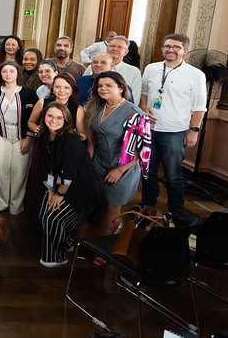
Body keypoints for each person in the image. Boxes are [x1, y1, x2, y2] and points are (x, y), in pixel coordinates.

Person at [138, 33, 206, 218]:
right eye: (167, 46)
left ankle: (176, 208)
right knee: (148, 170)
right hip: (148, 130)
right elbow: (143, 93)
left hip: (175, 132)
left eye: (176, 47)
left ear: (185, 50)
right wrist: (144, 107)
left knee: (173, 174)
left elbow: (200, 107)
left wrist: (193, 131)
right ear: (162, 49)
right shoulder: (151, 68)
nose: (171, 50)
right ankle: (147, 202)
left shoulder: (196, 75)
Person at [37, 102, 102, 267]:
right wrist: (51, 192)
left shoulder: (71, 139)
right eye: (50, 116)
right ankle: (66, 244)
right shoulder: (44, 136)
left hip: (81, 189)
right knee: (44, 214)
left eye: (59, 117)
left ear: (66, 120)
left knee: (52, 217)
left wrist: (59, 195)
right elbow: (47, 168)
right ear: (43, 117)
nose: (53, 120)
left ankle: (56, 257)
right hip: (60, 185)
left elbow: (69, 172)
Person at [85, 71, 150, 235]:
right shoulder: (97, 106)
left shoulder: (134, 113)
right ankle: (99, 238)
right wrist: (89, 161)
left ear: (121, 88)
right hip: (99, 162)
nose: (102, 89)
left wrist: (120, 170)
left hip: (123, 166)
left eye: (108, 85)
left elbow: (140, 149)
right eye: (100, 86)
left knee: (113, 208)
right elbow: (92, 137)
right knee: (100, 204)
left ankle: (105, 248)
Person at [0, 60, 38, 215]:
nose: (8, 74)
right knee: (1, 169)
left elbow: (36, 118)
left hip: (23, 136)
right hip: (1, 135)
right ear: (0, 74)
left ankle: (16, 205)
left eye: (11, 71)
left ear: (17, 73)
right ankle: (1, 201)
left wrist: (29, 138)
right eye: (4, 71)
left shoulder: (29, 93)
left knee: (19, 171)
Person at [82, 35, 141, 102]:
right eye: (112, 46)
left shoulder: (134, 72)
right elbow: (83, 86)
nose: (115, 49)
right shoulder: (93, 67)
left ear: (126, 52)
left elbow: (135, 97)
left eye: (120, 47)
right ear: (107, 49)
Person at [28, 74, 86, 139]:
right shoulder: (42, 103)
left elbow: (82, 134)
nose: (61, 90)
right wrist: (36, 129)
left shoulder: (78, 108)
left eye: (66, 87)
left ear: (72, 90)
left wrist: (70, 141)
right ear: (53, 88)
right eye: (57, 87)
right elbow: (31, 122)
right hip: (44, 143)